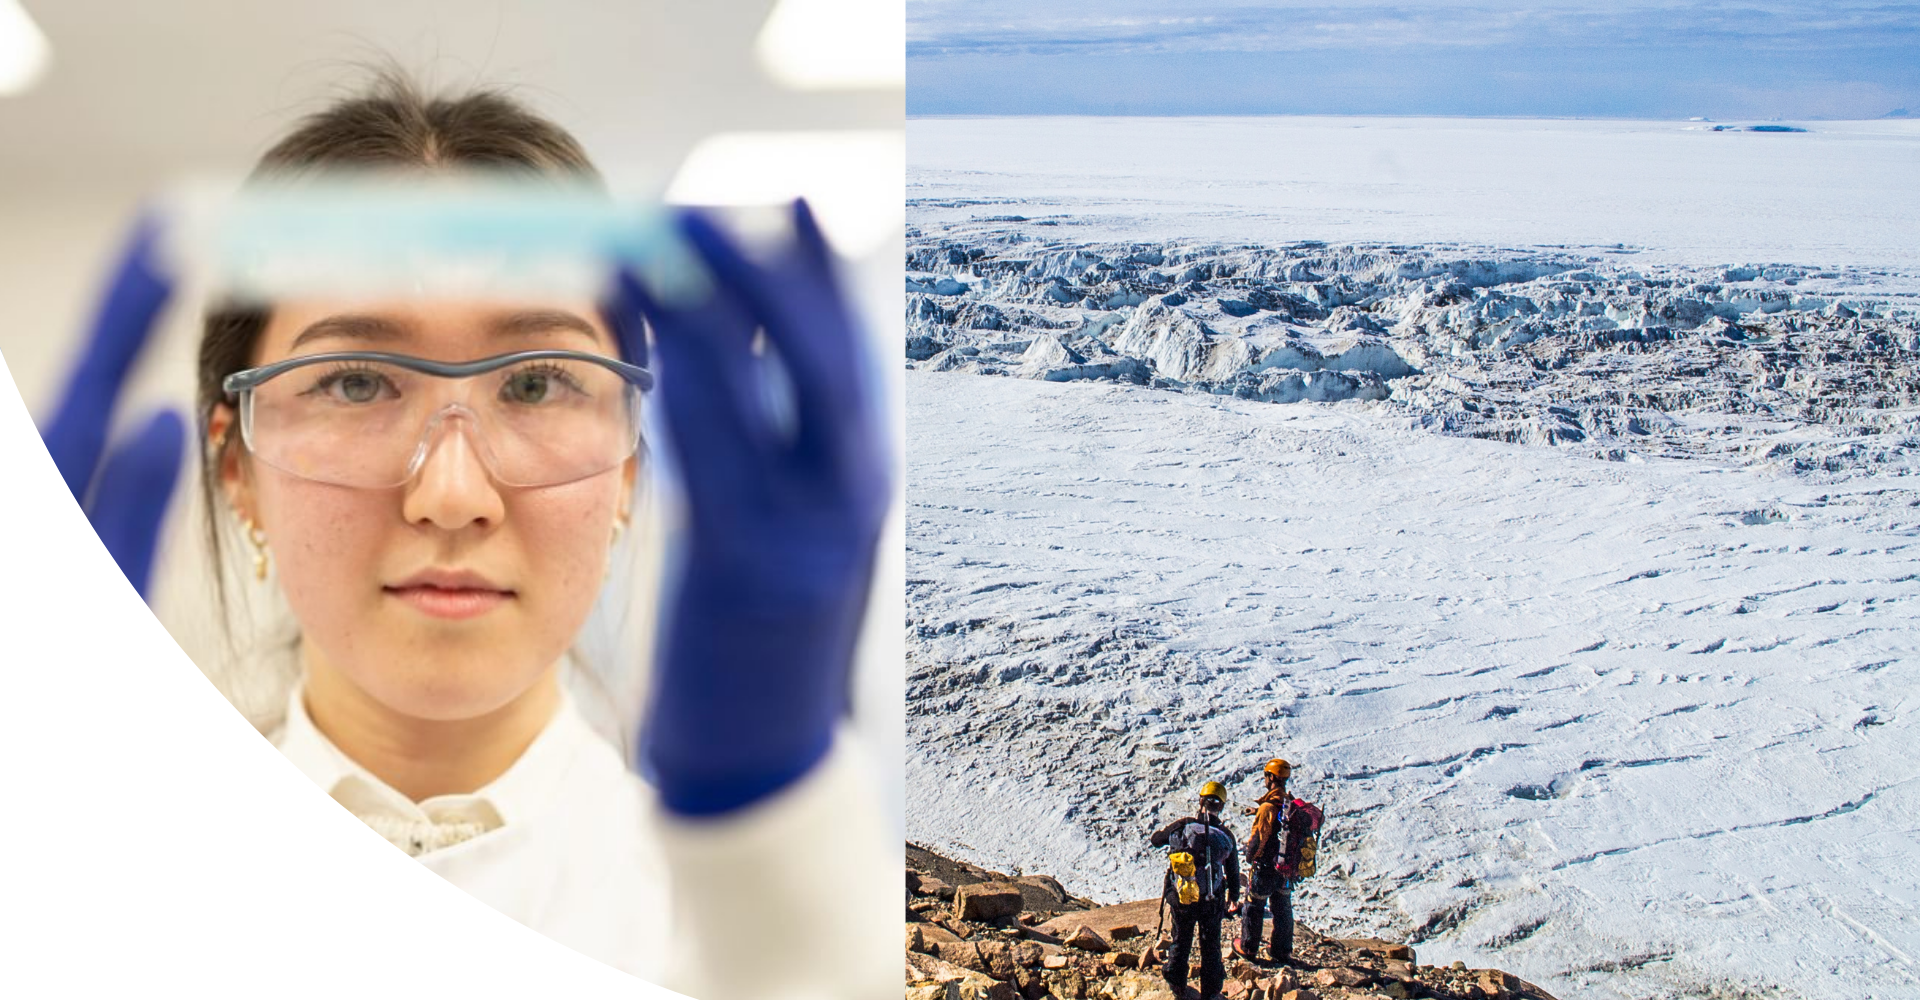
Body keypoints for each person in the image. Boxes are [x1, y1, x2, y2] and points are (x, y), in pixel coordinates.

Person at [34, 73, 893, 999]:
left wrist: (777, 882)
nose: (451, 496)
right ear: (238, 467)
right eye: (357, 381)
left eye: (533, 384)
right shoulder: (87, 872)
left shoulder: (756, 918)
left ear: (628, 471)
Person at [1149, 780, 1240, 1000]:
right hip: (1211, 900)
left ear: (1200, 802)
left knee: (1181, 938)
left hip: (1183, 897)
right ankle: (1210, 990)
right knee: (1211, 945)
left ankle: (1176, 983)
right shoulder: (1226, 835)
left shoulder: (1184, 824)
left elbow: (1156, 840)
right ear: (1221, 807)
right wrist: (1233, 897)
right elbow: (1233, 871)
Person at [1237, 758, 1323, 967]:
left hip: (1265, 867)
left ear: (1272, 777)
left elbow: (1259, 838)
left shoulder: (1268, 807)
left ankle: (1248, 947)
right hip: (1285, 868)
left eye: (1267, 775)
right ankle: (1281, 951)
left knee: (1254, 905)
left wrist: (1251, 857)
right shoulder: (1289, 805)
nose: (1265, 779)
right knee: (1282, 907)